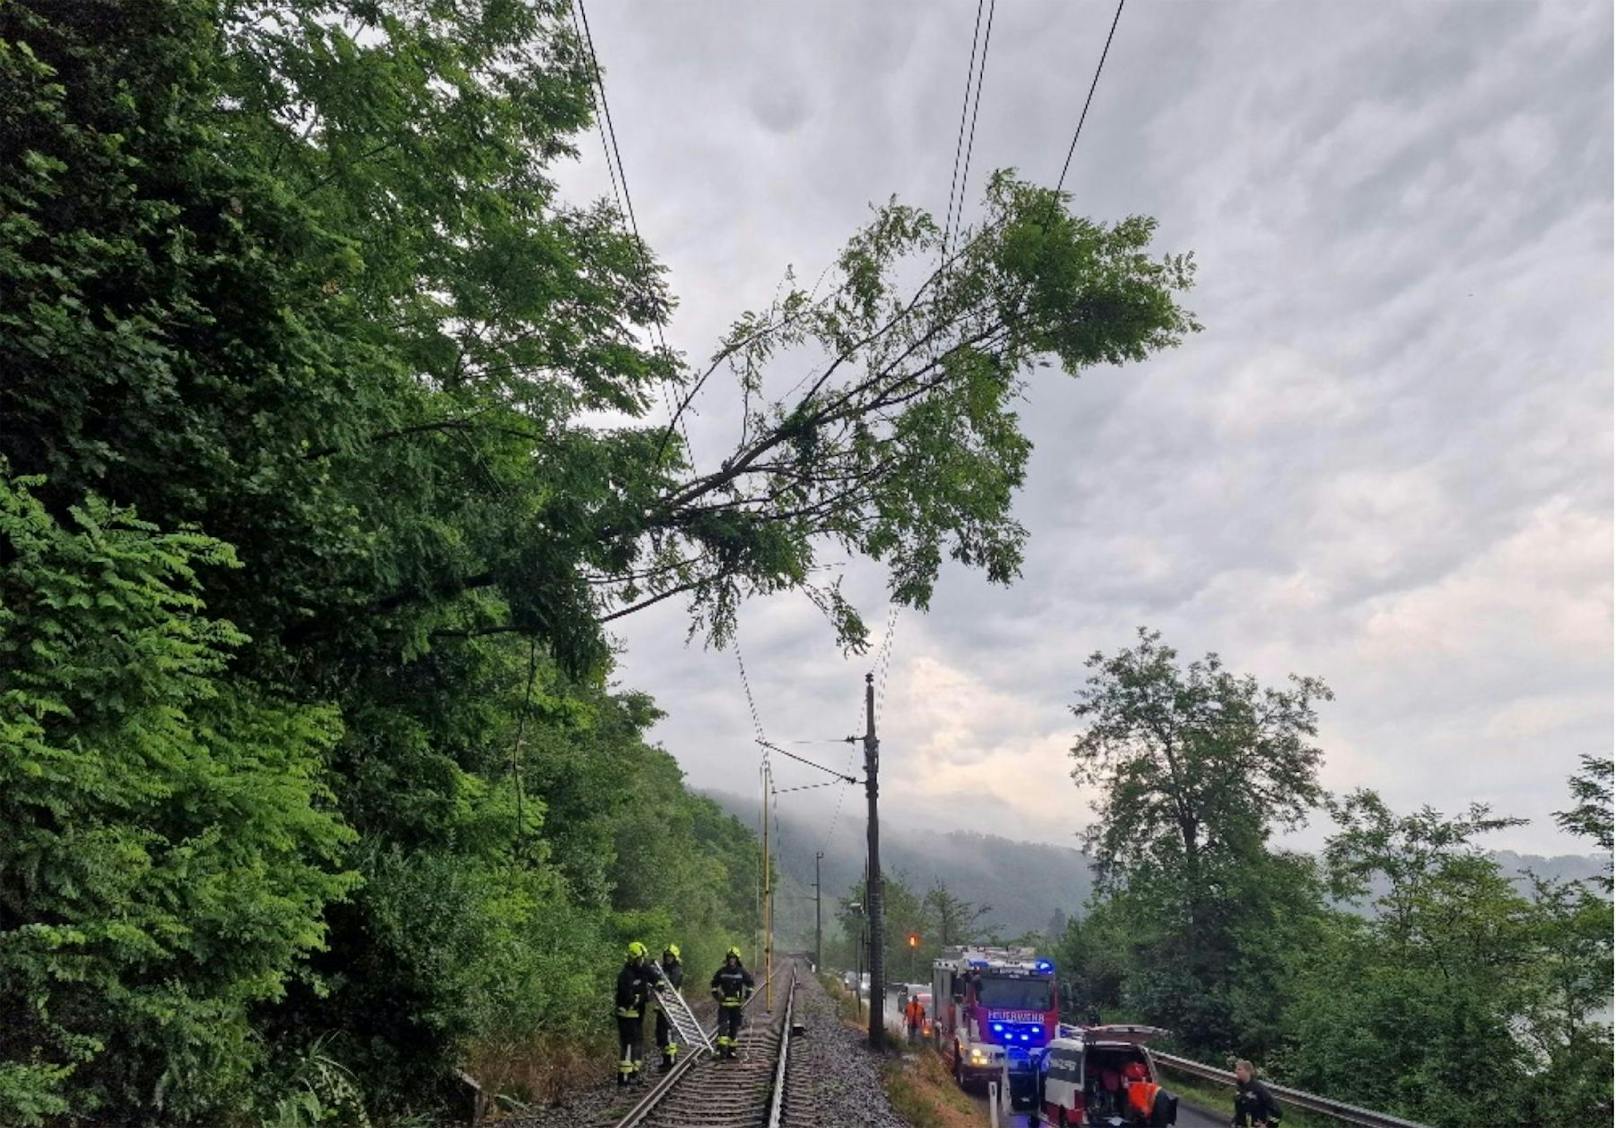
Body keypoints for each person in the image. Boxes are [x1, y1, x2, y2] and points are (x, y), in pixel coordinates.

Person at [614, 941, 661, 1086]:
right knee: (628, 1044)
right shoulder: (625, 975)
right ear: (633, 959)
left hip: (638, 1014)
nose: (641, 961)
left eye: (642, 959)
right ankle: (624, 1076)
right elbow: (628, 998)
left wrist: (659, 984)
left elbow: (654, 976)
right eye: (639, 959)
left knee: (638, 1041)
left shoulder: (642, 969)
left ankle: (634, 1071)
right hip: (626, 1015)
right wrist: (643, 996)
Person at [709, 946, 754, 1059]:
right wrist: (717, 995)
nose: (732, 960)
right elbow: (714, 984)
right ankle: (721, 1051)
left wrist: (747, 995)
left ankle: (731, 1051)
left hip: (736, 1006)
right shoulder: (722, 971)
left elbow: (750, 983)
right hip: (724, 1005)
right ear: (727, 959)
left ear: (737, 959)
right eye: (730, 958)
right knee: (723, 1027)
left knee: (734, 1028)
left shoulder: (741, 972)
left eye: (734, 958)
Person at [653, 944, 684, 1071]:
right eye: (667, 956)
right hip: (662, 1006)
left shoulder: (677, 970)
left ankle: (671, 1060)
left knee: (668, 1034)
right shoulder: (662, 968)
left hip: (671, 1007)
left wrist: (659, 982)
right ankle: (666, 1059)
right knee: (660, 1034)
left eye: (671, 956)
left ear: (675, 957)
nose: (668, 958)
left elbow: (672, 984)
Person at [1232, 1059, 1282, 1126]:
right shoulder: (1240, 1086)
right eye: (1236, 1069)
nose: (1236, 1071)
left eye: (1239, 1069)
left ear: (1248, 1071)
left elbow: (1277, 1111)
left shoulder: (1258, 1089)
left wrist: (1269, 1126)